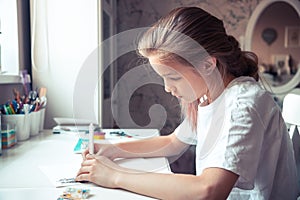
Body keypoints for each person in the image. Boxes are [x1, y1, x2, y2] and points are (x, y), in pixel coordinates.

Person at [76, 7, 299, 199]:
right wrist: (111, 150)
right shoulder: (208, 95)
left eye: (173, 77)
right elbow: (173, 142)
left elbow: (209, 191)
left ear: (207, 65)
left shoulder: (242, 105)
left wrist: (115, 176)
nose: (167, 88)